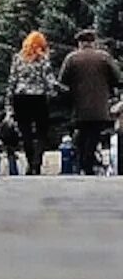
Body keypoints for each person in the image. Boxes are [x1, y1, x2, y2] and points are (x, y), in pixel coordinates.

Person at [60, 29, 122, 176]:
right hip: (99, 105)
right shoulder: (104, 57)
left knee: (82, 133)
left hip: (79, 106)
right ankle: (87, 163)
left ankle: (83, 163)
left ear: (80, 43)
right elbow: (117, 77)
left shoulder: (71, 58)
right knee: (93, 134)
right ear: (93, 42)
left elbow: (62, 80)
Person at [5, 30, 63, 175]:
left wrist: (9, 105)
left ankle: (30, 162)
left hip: (21, 98)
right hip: (38, 98)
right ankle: (37, 162)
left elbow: (12, 81)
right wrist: (58, 90)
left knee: (25, 132)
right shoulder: (43, 60)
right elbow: (49, 81)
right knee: (42, 132)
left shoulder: (18, 58)